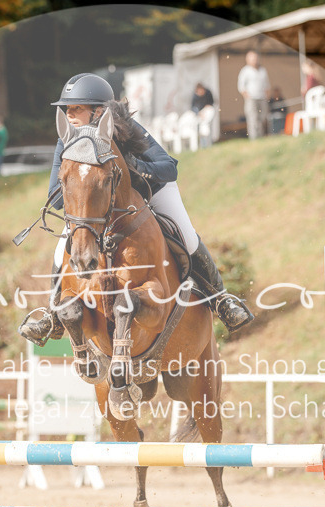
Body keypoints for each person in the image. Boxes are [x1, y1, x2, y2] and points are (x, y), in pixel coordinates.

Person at [17, 73, 254, 346]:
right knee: (64, 246)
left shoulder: (125, 126)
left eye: (76, 108)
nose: (68, 115)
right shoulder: (67, 140)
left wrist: (134, 170)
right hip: (96, 206)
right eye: (67, 109)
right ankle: (52, 314)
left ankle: (222, 301)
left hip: (150, 191)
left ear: (99, 111)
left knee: (186, 235)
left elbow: (169, 167)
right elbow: (54, 197)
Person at [237, 51, 270, 140]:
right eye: (252, 58)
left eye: (256, 58)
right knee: (253, 119)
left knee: (262, 118)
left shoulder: (263, 70)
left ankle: (261, 137)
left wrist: (266, 96)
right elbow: (241, 86)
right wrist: (248, 97)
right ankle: (254, 138)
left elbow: (266, 84)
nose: (255, 60)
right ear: (247, 60)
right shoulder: (245, 71)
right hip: (251, 99)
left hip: (262, 98)